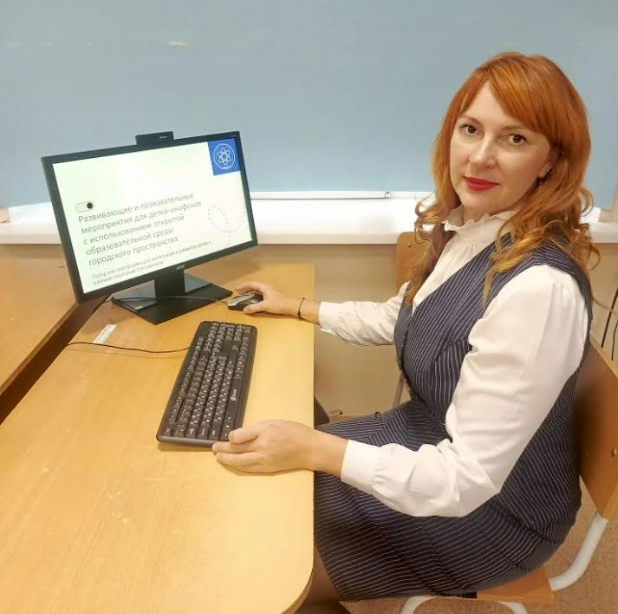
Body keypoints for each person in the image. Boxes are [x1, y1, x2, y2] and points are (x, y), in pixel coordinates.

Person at [211, 51, 599, 613]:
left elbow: (464, 479)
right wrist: (296, 306)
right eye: (471, 129)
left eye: (514, 139)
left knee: (261, 563)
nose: (480, 156)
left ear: (550, 162)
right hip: (426, 440)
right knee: (264, 491)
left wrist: (317, 447)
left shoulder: (538, 290)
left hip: (493, 514)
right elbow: (401, 317)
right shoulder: (476, 229)